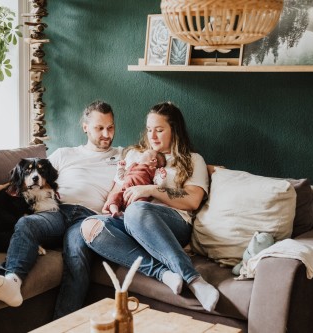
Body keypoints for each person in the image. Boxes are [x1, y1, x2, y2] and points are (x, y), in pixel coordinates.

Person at [0, 100, 123, 314]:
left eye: (111, 127)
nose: (107, 134)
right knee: (26, 223)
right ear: (85, 127)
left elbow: (152, 160)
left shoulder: (123, 155)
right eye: (100, 128)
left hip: (88, 220)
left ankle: (62, 326)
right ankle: (13, 281)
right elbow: (32, 176)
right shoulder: (64, 154)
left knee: (76, 257)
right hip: (58, 211)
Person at [80, 102, 220, 312]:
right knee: (90, 227)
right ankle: (164, 274)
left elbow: (192, 200)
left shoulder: (192, 160)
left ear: (175, 130)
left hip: (173, 222)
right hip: (129, 220)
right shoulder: (135, 156)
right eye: (149, 129)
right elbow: (118, 188)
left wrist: (151, 190)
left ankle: (194, 280)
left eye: (160, 130)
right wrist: (111, 207)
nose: (152, 136)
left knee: (137, 210)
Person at [106, 149, 166, 217]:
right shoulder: (133, 165)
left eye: (145, 153)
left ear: (153, 160)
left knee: (139, 205)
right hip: (124, 191)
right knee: (114, 197)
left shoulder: (152, 170)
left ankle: (130, 216)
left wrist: (162, 176)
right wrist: (121, 168)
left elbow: (158, 183)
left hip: (139, 194)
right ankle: (115, 212)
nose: (141, 154)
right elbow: (122, 177)